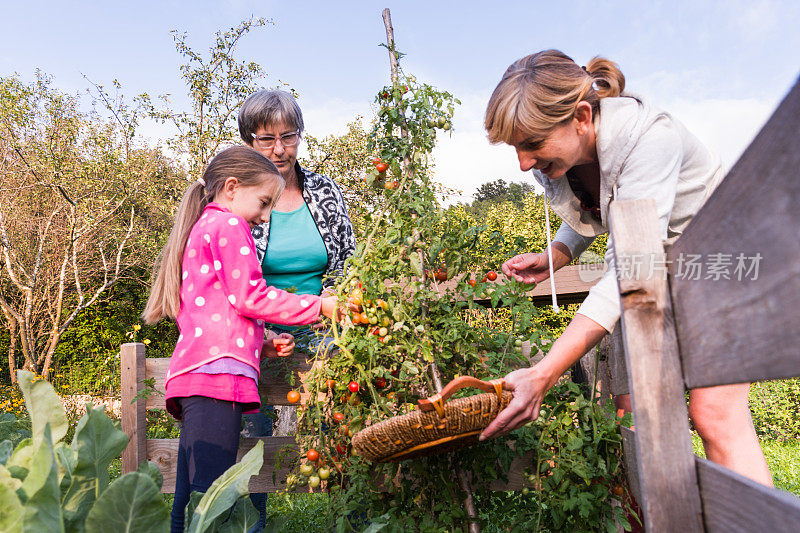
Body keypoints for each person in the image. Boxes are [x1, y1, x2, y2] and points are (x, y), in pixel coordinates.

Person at [478, 50, 772, 487]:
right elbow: (598, 209)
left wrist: (544, 373)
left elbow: (629, 267)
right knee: (632, 411)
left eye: (532, 144)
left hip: (714, 265)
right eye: (516, 148)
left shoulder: (649, 138)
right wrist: (557, 254)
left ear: (580, 117)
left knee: (714, 414)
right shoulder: (568, 158)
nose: (523, 163)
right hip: (656, 274)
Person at [141, 146, 339, 532]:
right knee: (211, 503)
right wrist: (319, 306)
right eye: (264, 202)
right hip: (218, 381)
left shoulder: (205, 226)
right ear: (232, 188)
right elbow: (251, 296)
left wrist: (260, 343)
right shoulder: (230, 226)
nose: (265, 216)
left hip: (202, 373)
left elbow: (219, 310)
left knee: (191, 503)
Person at [236, 90, 357, 528]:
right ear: (248, 141)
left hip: (321, 324)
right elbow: (233, 278)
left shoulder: (324, 192)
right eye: (267, 139)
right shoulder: (237, 198)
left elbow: (348, 261)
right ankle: (250, 523)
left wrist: (334, 313)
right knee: (252, 431)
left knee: (345, 410)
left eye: (290, 136)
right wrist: (261, 330)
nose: (281, 149)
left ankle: (349, 514)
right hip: (256, 325)